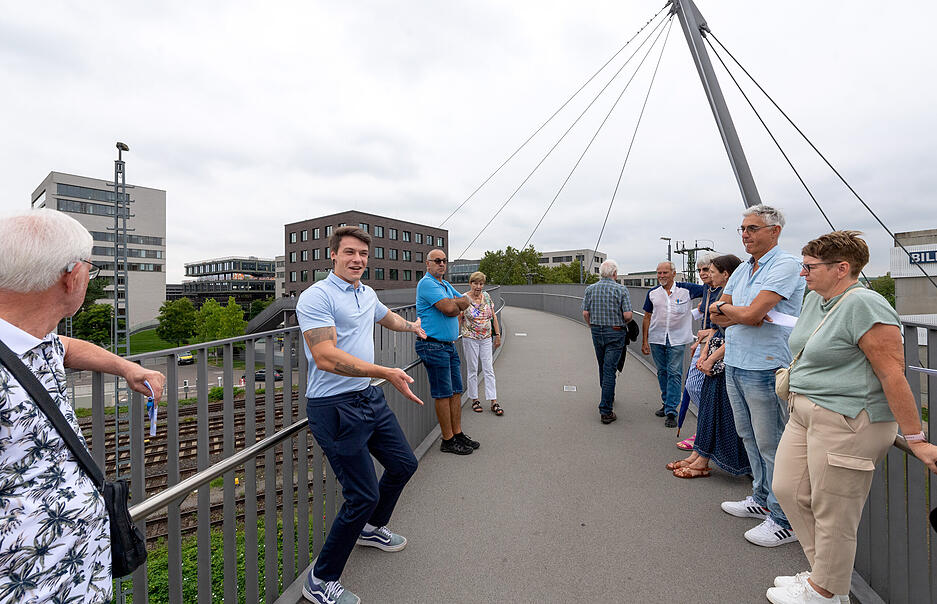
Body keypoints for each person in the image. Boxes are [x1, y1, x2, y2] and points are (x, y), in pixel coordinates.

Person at [0, 209, 166, 603]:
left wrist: (125, 366)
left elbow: (66, 347)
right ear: (72, 275)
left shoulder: (32, 339)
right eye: (90, 269)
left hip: (78, 576)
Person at [767, 231, 937, 604]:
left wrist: (917, 438)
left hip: (849, 419)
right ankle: (825, 577)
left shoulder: (866, 304)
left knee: (835, 510)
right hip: (805, 410)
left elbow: (893, 373)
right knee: (788, 490)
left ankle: (826, 592)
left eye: (810, 267)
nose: (803, 274)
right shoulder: (817, 299)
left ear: (841, 268)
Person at [297, 226, 426, 604]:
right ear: (332, 255)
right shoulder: (316, 296)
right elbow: (325, 356)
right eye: (350, 253)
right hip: (334, 407)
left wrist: (412, 326)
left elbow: (385, 317)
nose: (358, 260)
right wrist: (385, 372)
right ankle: (320, 580)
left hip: (368, 398)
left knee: (403, 464)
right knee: (361, 494)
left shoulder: (365, 293)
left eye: (363, 255)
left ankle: (371, 529)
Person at [709, 204, 805, 548]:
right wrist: (739, 313)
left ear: (774, 231)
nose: (746, 235)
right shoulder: (743, 269)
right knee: (748, 436)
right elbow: (716, 312)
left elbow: (749, 314)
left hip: (766, 366)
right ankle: (761, 498)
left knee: (772, 443)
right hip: (736, 361)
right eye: (743, 229)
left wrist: (737, 312)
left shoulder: (786, 265)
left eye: (752, 229)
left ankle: (784, 520)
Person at [666, 254, 750, 479]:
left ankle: (703, 458)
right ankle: (699, 453)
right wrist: (704, 352)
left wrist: (710, 356)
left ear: (726, 274)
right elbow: (716, 326)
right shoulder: (719, 293)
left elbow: (734, 330)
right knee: (709, 404)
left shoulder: (732, 295)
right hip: (715, 351)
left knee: (719, 408)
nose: (707, 275)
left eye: (711, 271)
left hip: (725, 356)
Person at [415, 249, 478, 455]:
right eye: (437, 261)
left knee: (456, 391)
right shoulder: (427, 283)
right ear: (428, 263)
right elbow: (451, 309)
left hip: (448, 345)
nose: (442, 264)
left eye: (444, 261)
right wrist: (455, 303)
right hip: (432, 345)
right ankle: (447, 439)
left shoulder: (444, 284)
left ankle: (457, 433)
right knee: (443, 393)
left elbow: (467, 302)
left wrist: (456, 303)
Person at [641, 261, 705, 428]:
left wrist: (704, 304)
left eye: (665, 273)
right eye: (659, 273)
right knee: (662, 372)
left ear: (673, 273)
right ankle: (666, 402)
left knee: (674, 373)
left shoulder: (687, 289)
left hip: (677, 339)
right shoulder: (652, 293)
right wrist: (644, 340)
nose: (661, 276)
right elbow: (646, 317)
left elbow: (710, 288)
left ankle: (671, 411)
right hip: (657, 338)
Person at [676, 252, 720, 450]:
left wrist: (708, 332)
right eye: (700, 270)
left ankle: (706, 432)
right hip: (704, 344)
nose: (703, 273)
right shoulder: (707, 289)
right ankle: (707, 430)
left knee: (701, 388)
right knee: (694, 386)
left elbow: (726, 323)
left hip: (715, 345)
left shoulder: (725, 291)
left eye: (707, 270)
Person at [581, 259, 633, 424]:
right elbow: (627, 315)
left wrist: (592, 326)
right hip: (615, 332)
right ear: (615, 274)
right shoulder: (621, 289)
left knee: (603, 366)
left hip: (597, 331)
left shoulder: (590, 289)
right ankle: (606, 410)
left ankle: (607, 396)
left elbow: (585, 313)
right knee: (610, 369)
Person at [459, 271, 503, 416]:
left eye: (481, 284)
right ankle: (475, 399)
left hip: (486, 338)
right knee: (472, 369)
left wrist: (497, 335)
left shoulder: (487, 297)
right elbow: (459, 318)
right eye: (475, 283)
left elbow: (493, 317)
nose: (478, 287)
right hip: (470, 338)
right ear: (470, 283)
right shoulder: (464, 299)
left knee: (488, 368)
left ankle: (493, 401)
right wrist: (453, 335)